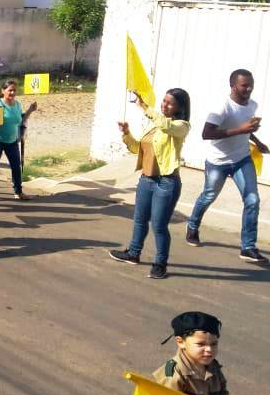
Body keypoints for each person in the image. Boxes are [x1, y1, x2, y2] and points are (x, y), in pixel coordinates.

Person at [185, 69, 268, 263]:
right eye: (244, 85)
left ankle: (248, 247)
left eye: (251, 84)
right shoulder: (222, 107)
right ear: (233, 86)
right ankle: (193, 225)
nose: (249, 88)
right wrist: (242, 129)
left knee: (253, 200)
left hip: (242, 159)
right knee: (209, 196)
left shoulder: (252, 105)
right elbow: (207, 133)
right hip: (218, 162)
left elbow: (245, 128)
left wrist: (257, 141)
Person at [108, 88, 191, 279]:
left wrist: (144, 106)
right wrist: (126, 133)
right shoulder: (155, 125)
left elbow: (165, 126)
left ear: (180, 107)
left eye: (170, 103)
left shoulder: (181, 125)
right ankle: (133, 253)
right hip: (146, 179)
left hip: (166, 182)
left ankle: (160, 263)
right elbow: (139, 148)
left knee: (159, 226)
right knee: (139, 220)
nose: (165, 105)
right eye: (164, 101)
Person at [152, 312, 233, 395]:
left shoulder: (213, 367)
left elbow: (222, 394)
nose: (209, 349)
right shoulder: (173, 375)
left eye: (214, 344)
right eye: (201, 344)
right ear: (181, 342)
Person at [0, 80, 37, 201]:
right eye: (9, 90)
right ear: (3, 91)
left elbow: (21, 119)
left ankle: (18, 191)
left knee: (16, 166)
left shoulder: (17, 104)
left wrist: (30, 110)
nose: (12, 92)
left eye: (14, 90)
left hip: (12, 141)